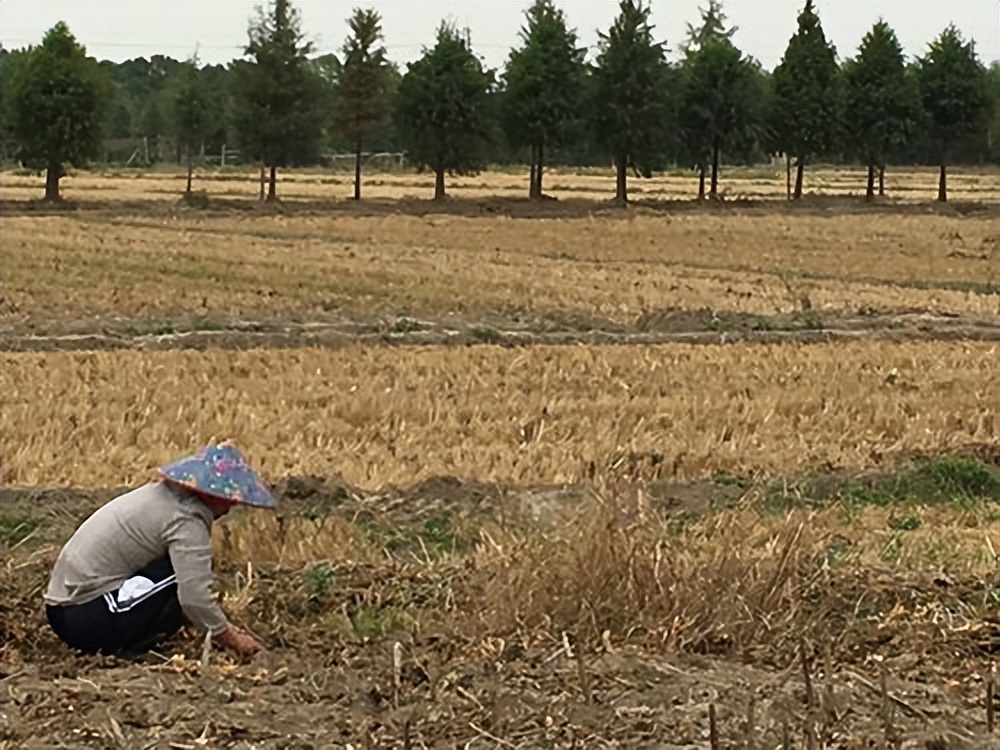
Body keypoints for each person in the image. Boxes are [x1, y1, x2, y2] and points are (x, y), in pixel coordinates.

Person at [43, 440, 277, 659]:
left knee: (182, 570)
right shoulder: (185, 520)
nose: (231, 506)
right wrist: (231, 638)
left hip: (64, 609)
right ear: (211, 494)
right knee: (182, 573)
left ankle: (145, 636)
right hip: (84, 617)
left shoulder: (156, 496)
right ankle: (125, 641)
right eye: (228, 498)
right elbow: (193, 597)